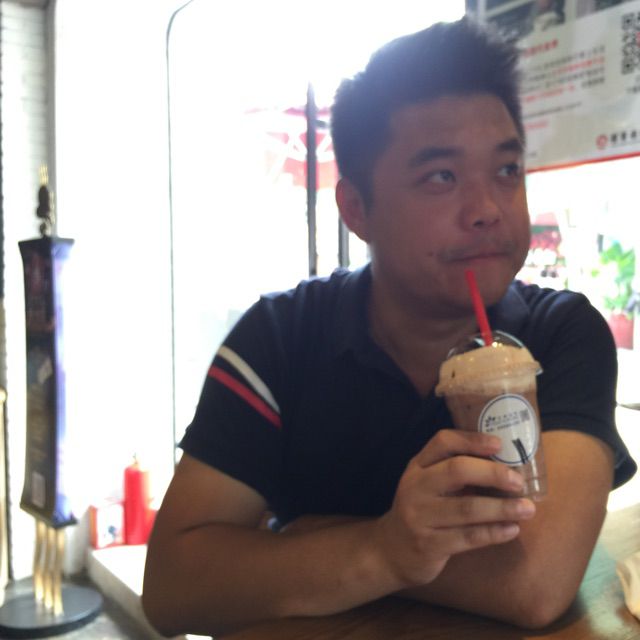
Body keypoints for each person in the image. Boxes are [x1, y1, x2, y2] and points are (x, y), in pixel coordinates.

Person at [142, 17, 636, 637]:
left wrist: (315, 539)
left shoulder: (562, 334)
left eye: (507, 170)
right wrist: (384, 549)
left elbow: (536, 581)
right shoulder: (280, 338)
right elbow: (172, 587)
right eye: (441, 177)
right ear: (356, 208)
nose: (488, 209)